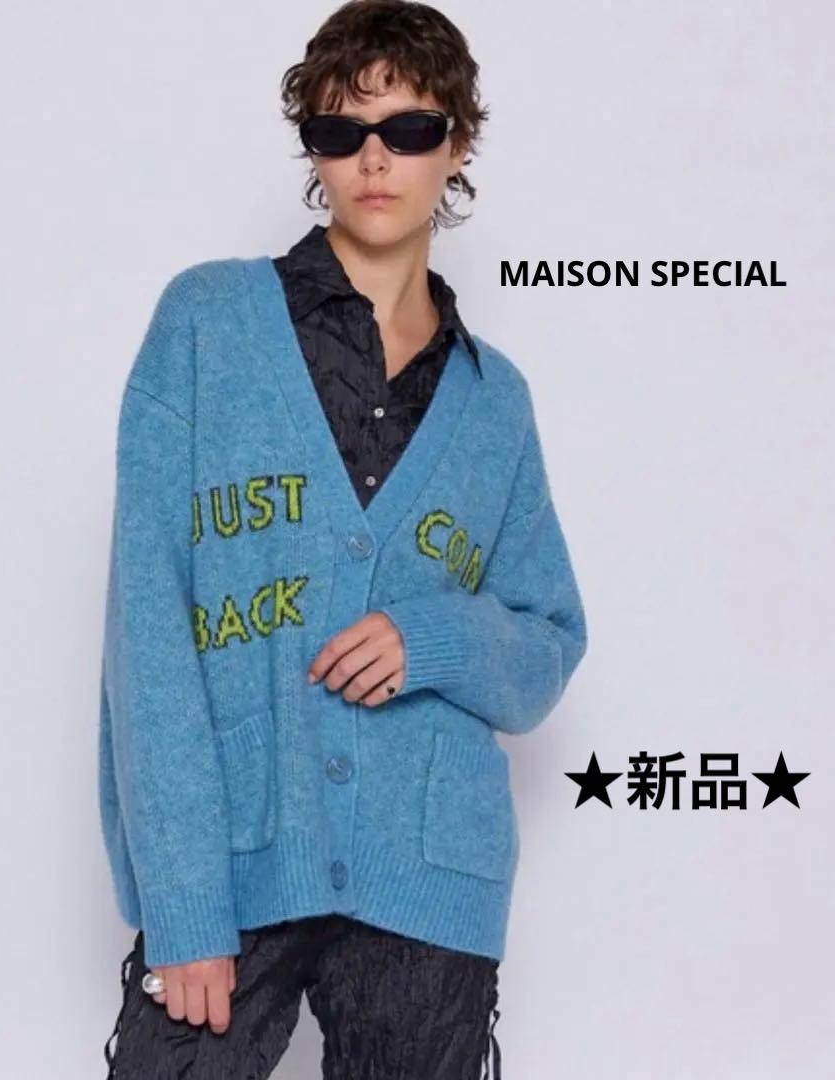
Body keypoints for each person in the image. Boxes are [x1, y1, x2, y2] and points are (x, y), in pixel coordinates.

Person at [97, 1, 588, 1076]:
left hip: (431, 874)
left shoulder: (493, 400)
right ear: (312, 149)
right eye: (340, 130)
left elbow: (547, 640)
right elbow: (148, 623)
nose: (374, 160)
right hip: (234, 852)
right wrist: (182, 901)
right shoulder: (207, 323)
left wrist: (434, 639)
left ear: (456, 144)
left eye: (408, 130)